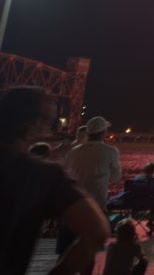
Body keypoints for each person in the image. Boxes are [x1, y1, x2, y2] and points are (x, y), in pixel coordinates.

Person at [0, 87, 110, 274]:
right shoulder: (42, 174)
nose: (52, 127)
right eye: (50, 121)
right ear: (33, 124)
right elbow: (97, 232)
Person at [63, 114, 122, 261]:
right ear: (103, 133)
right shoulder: (110, 151)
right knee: (89, 250)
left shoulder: (74, 151)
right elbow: (116, 177)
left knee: (66, 251)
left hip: (72, 203)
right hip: (96, 204)